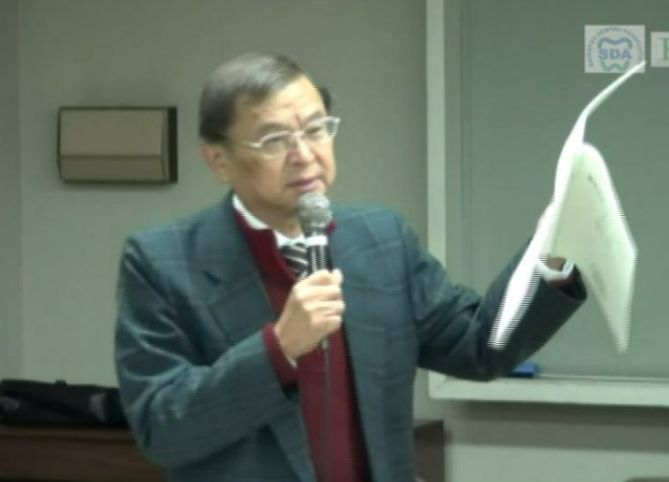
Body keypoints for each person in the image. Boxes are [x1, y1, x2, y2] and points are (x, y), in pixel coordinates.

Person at [114, 52, 586, 482]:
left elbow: (480, 346)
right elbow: (162, 428)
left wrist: (551, 255)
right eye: (275, 140)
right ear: (219, 160)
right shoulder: (162, 262)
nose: (304, 155)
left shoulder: (380, 240)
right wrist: (279, 350)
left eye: (316, 129)